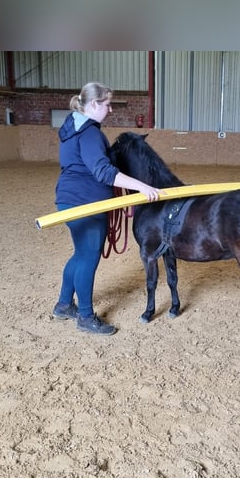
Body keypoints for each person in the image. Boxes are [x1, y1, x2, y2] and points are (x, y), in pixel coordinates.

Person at [52, 81, 163, 335]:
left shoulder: (72, 127)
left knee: (80, 254)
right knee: (88, 257)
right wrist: (141, 186)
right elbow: (102, 172)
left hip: (69, 197)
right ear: (93, 104)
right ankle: (85, 317)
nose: (110, 109)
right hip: (87, 201)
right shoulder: (89, 132)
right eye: (107, 104)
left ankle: (63, 304)